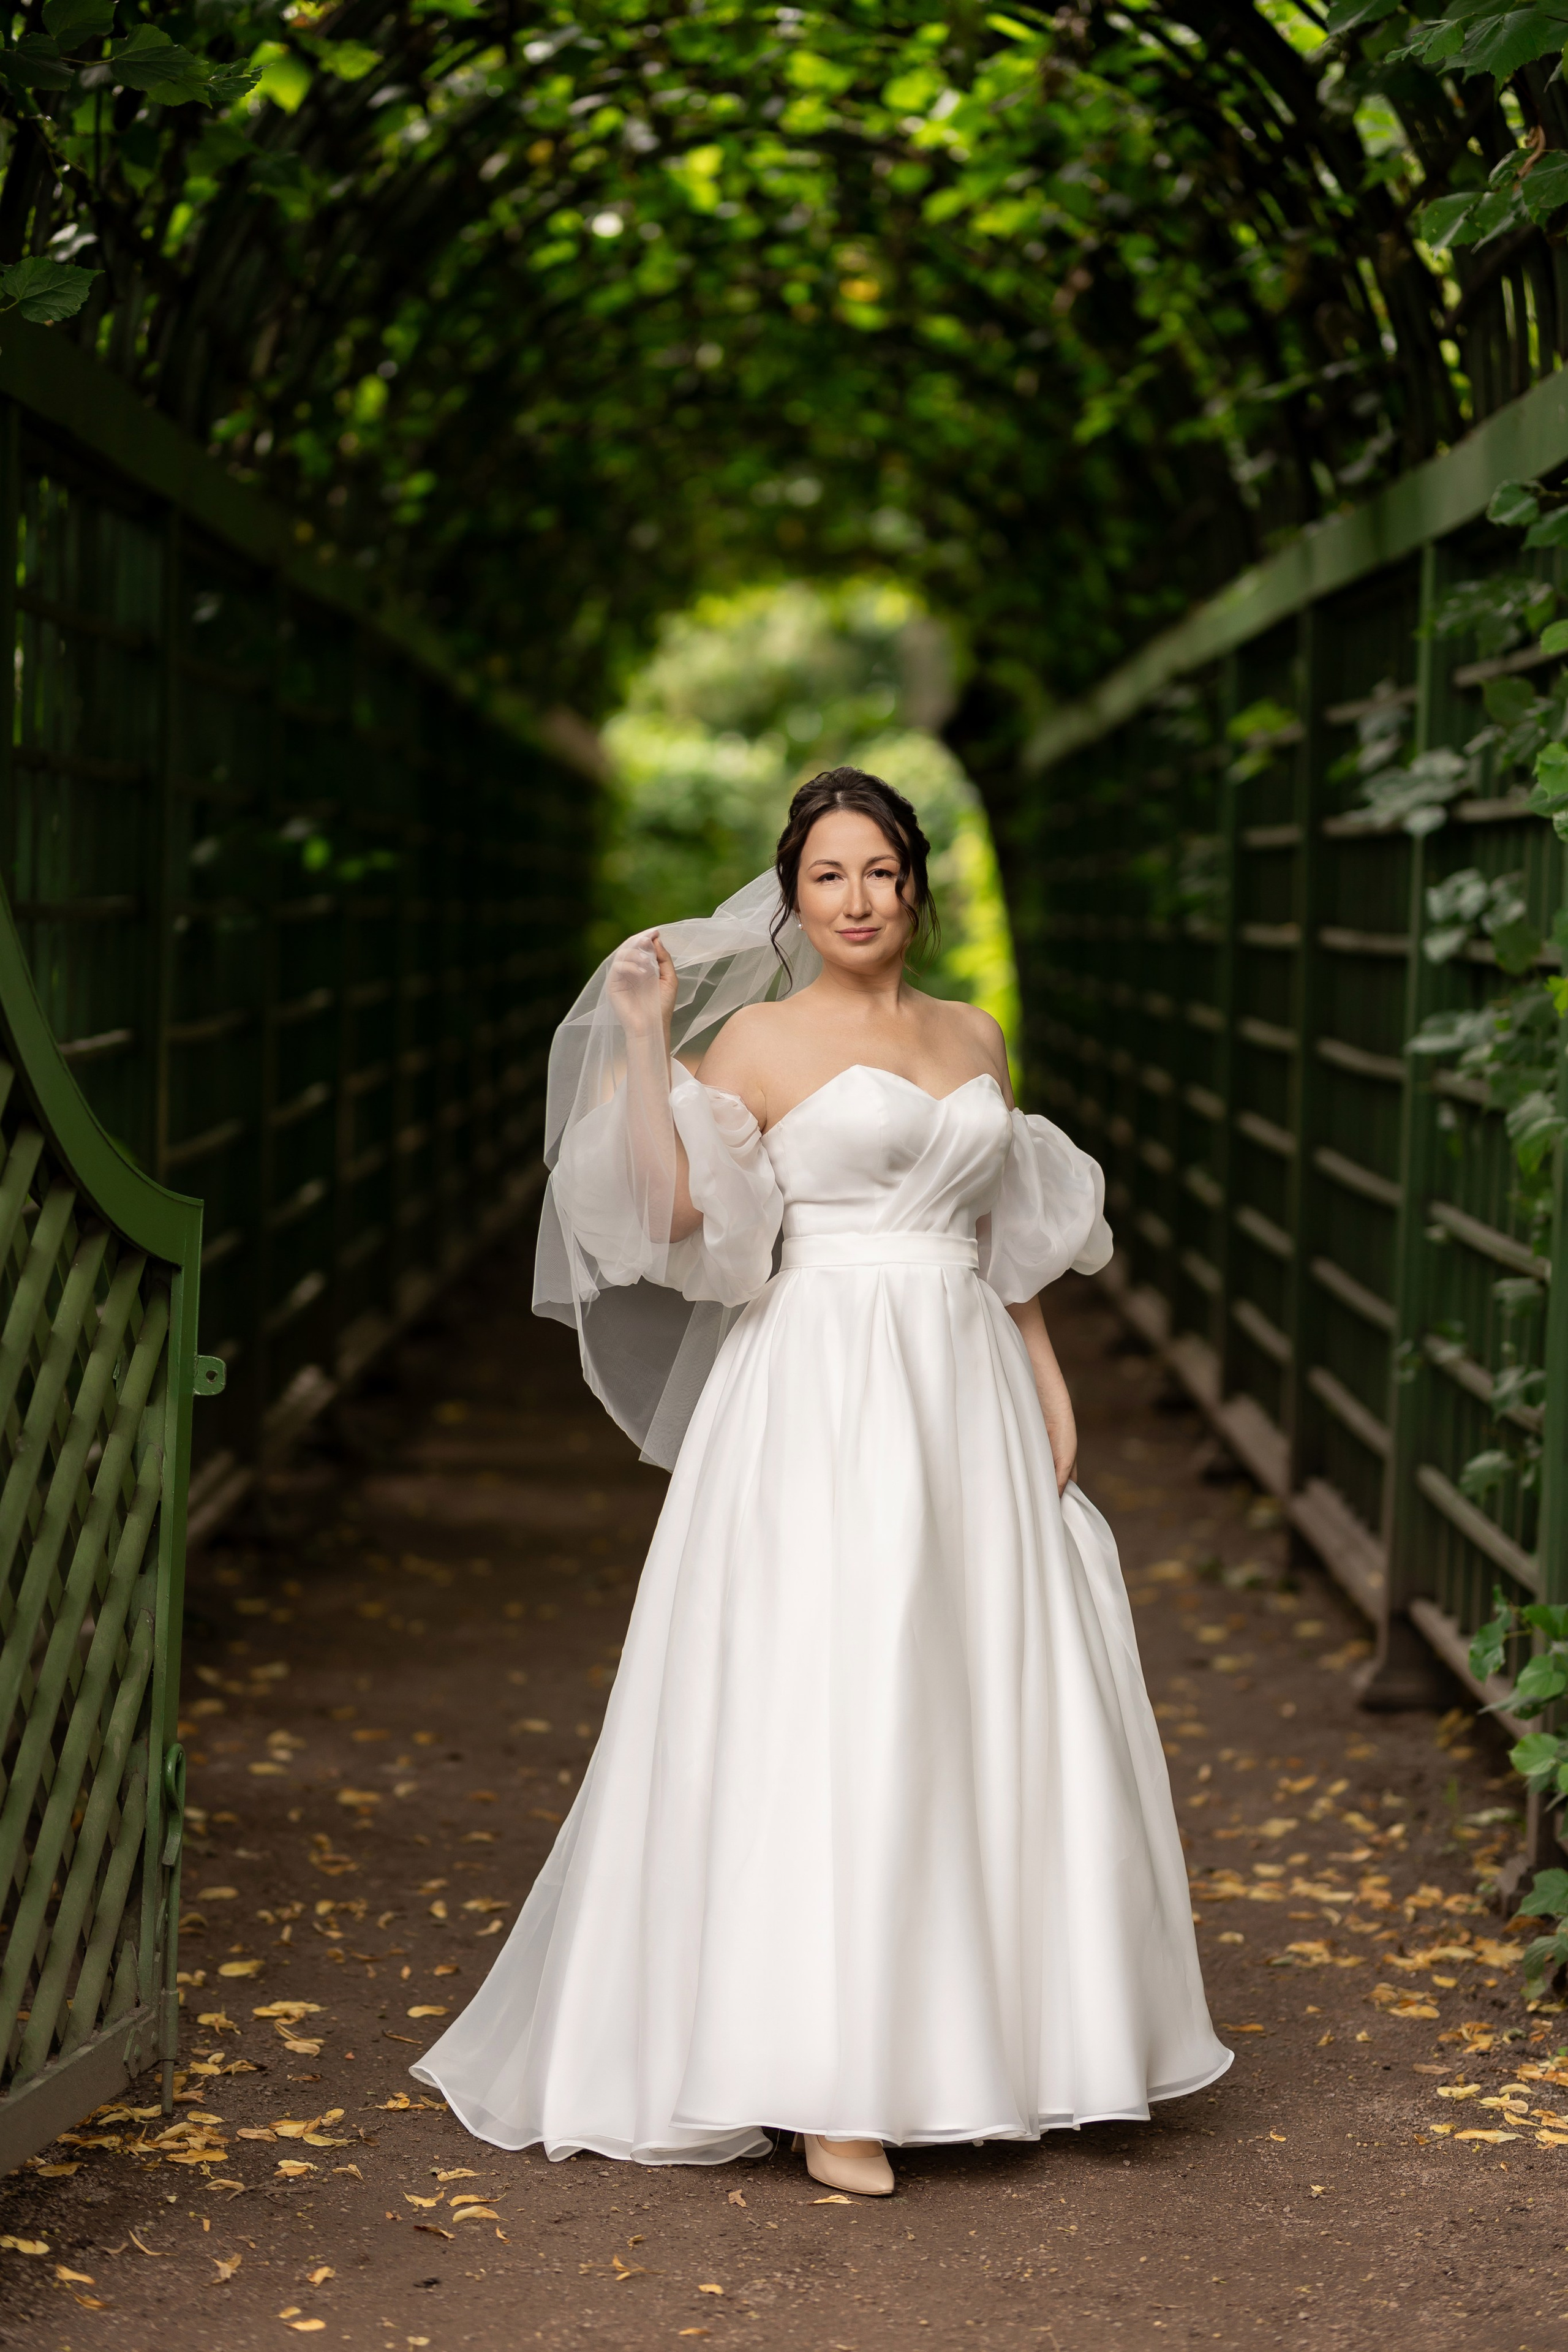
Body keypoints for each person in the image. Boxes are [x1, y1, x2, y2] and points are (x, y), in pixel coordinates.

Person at [412, 766, 1231, 2196]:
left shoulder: (973, 1034)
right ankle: (823, 2083)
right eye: (826, 877)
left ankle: (1001, 2043)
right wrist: (650, 1041)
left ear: (914, 885)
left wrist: (1045, 1380)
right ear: (793, 899)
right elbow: (676, 1219)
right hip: (818, 1385)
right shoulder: (758, 1044)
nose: (856, 900)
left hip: (961, 1378)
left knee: (975, 1692)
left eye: (879, 871)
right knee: (832, 1695)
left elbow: (1002, 1239)